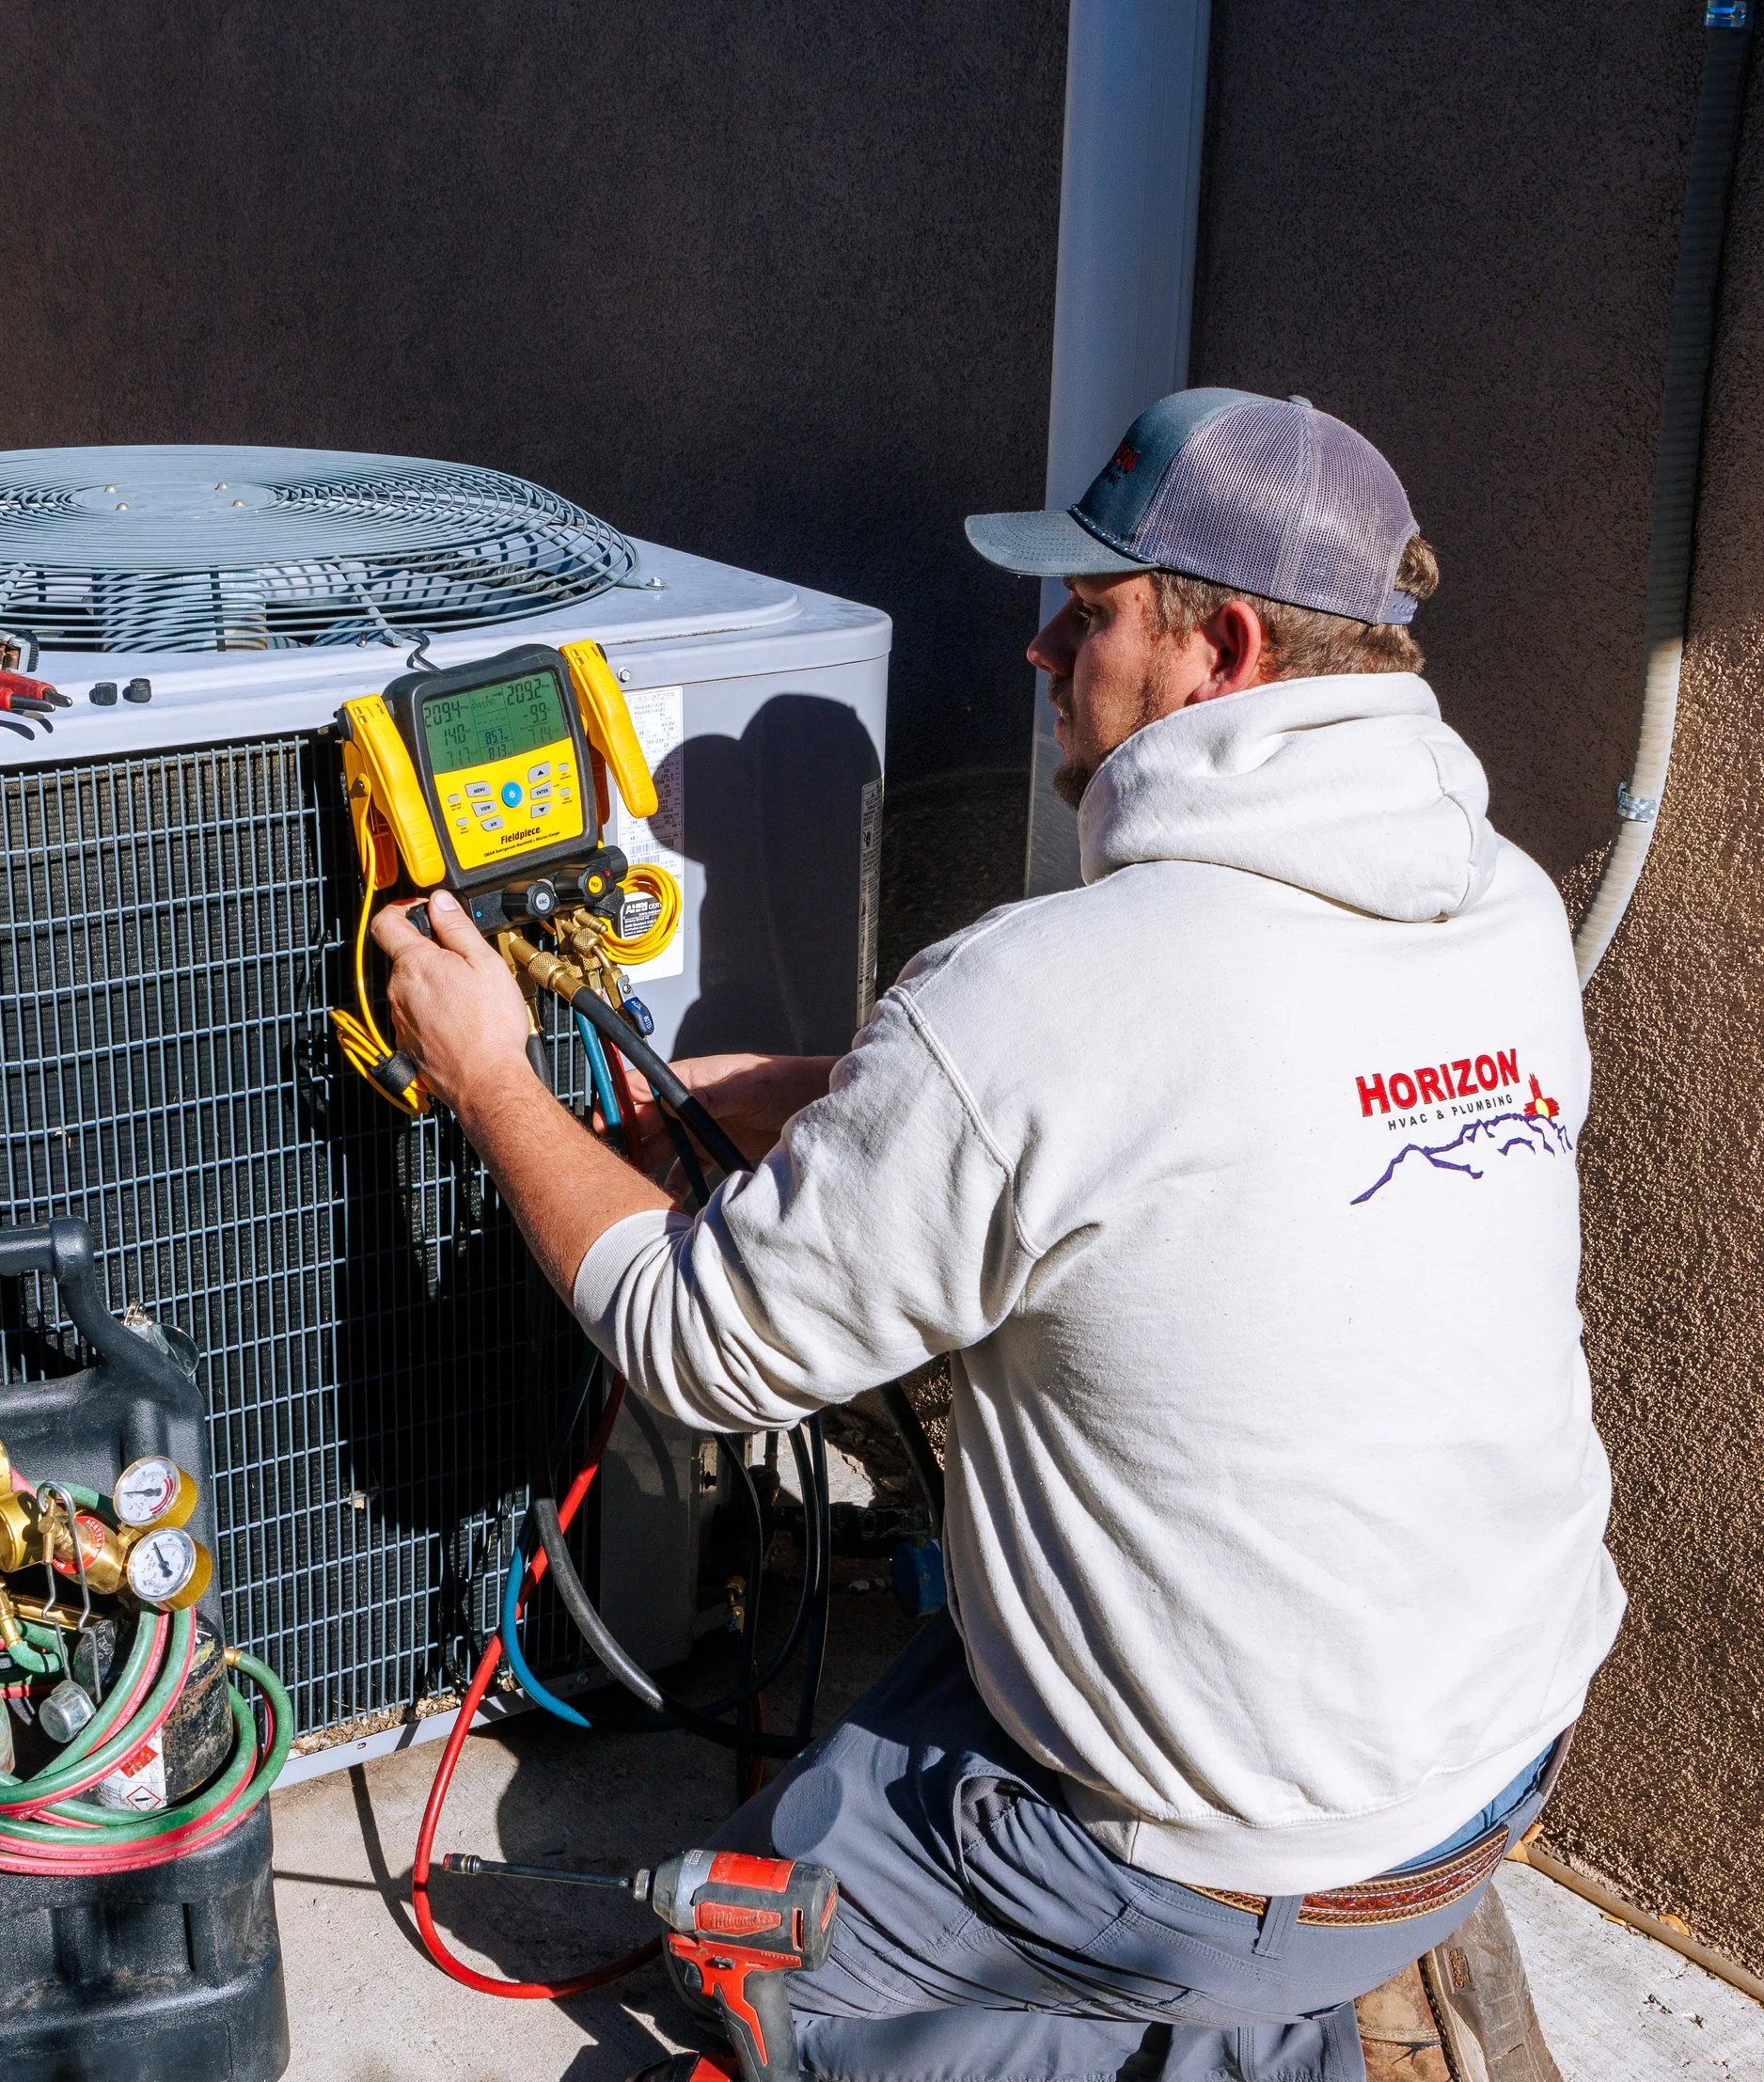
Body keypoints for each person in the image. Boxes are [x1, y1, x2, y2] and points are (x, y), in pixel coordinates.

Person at [371, 388, 1621, 2081]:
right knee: (892, 1736)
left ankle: (1205, 2034)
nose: (1041, 653)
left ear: (1225, 646)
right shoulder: (1507, 906)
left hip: (1240, 1863)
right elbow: (1228, 1136)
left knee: (741, 1927)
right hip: (1500, 1755)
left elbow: (693, 1342)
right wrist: (839, 1090)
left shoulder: (1041, 997)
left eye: (1088, 613)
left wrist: (490, 1076)